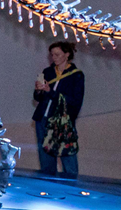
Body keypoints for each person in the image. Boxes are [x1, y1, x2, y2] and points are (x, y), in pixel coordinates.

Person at [33, 41, 85, 177]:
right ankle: (48, 189)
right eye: (52, 55)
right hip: (43, 119)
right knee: (45, 159)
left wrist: (51, 92)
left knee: (67, 157)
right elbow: (38, 98)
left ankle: (72, 190)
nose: (54, 58)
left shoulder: (76, 75)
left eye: (57, 54)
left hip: (62, 122)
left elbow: (74, 101)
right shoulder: (48, 72)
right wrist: (39, 91)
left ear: (67, 55)